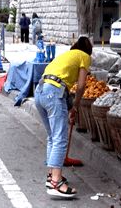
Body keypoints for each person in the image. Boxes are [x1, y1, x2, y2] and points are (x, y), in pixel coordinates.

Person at [35, 36, 93, 198]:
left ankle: (51, 175)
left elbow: (62, 82)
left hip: (40, 91)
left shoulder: (66, 55)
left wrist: (69, 105)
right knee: (60, 139)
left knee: (53, 137)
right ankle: (56, 182)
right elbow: (81, 85)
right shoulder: (84, 57)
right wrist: (76, 105)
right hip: (53, 93)